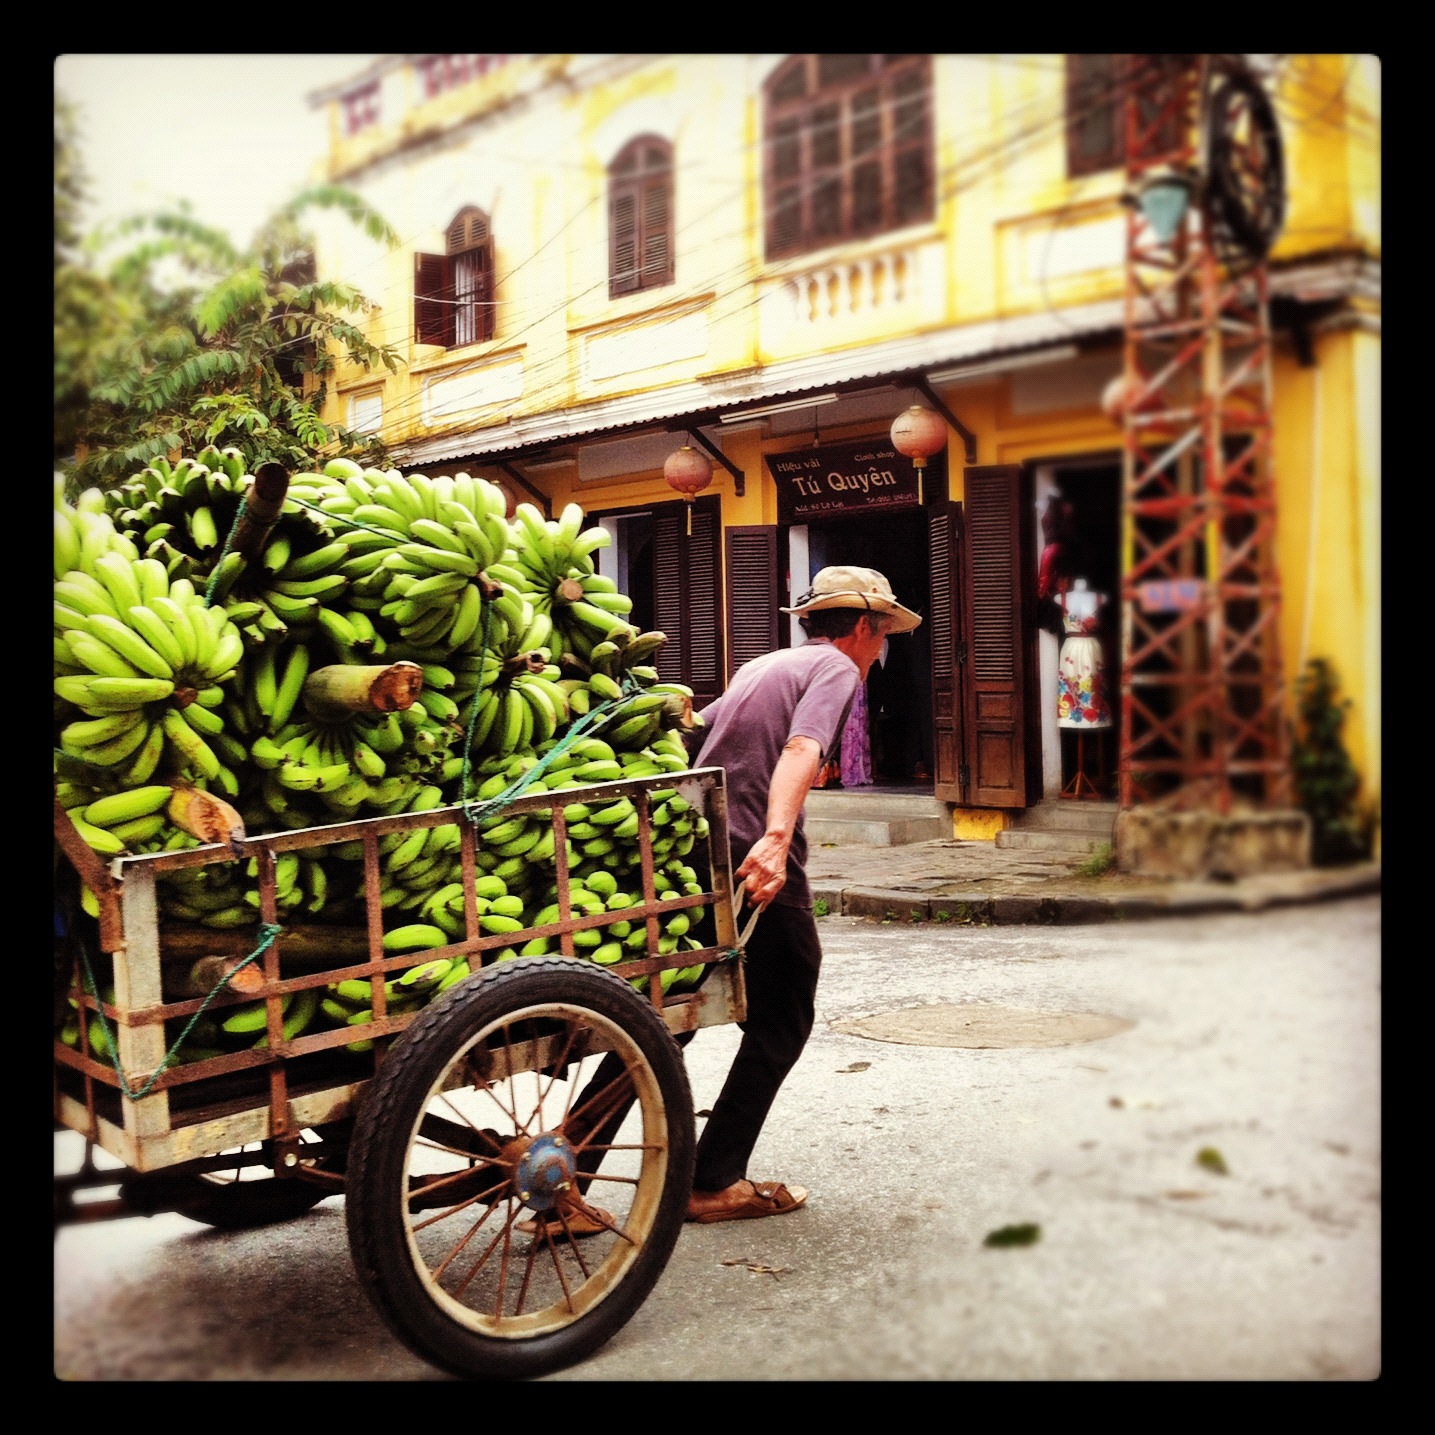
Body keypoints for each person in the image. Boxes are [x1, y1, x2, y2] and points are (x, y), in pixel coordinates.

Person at [525, 565, 922, 1235]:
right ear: (861, 627)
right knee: (782, 1019)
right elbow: (800, 748)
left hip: (703, 849)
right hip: (750, 859)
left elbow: (710, 741)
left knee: (668, 1021)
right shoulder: (834, 670)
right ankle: (711, 1181)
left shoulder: (763, 665)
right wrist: (773, 838)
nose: (879, 650)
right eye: (880, 634)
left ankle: (561, 1182)